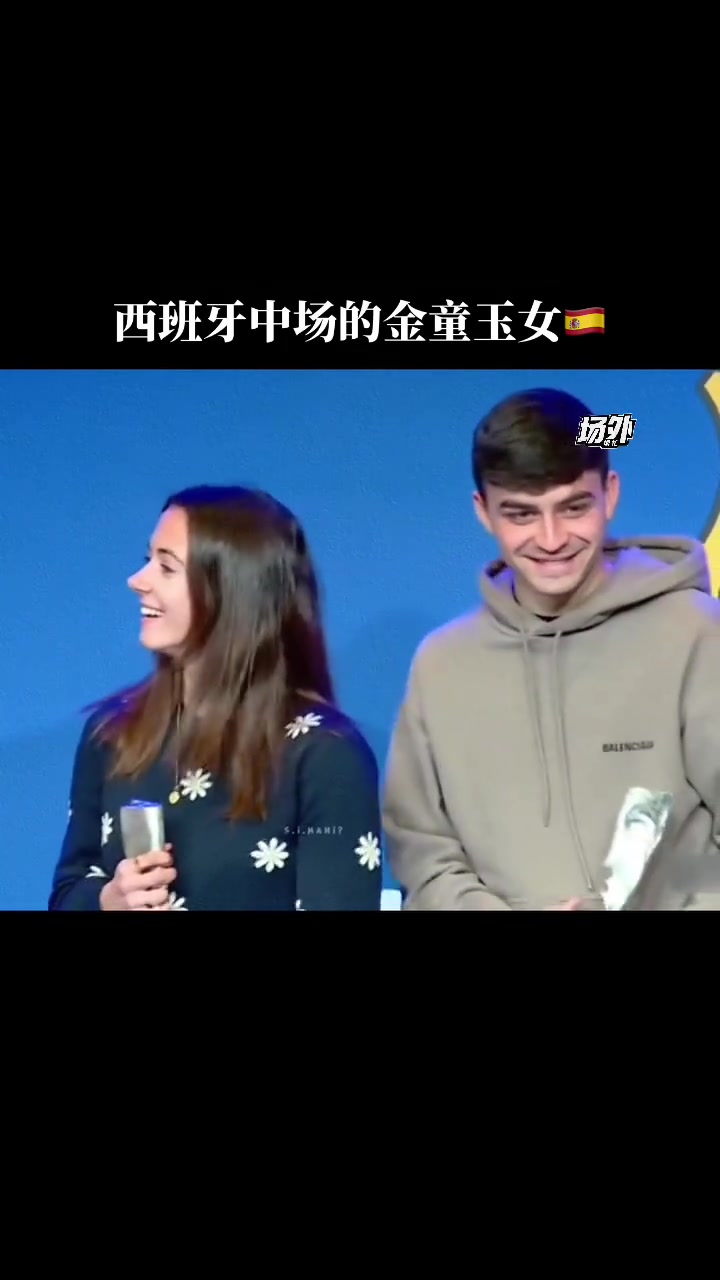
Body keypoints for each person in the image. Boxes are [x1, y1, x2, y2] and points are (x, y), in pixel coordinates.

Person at [383, 387, 720, 910]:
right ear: (483, 512)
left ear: (610, 494)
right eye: (521, 514)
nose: (551, 538)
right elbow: (423, 852)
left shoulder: (695, 632)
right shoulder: (441, 664)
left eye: (573, 507)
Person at [49, 485, 382, 911]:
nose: (137, 581)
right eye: (147, 560)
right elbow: (68, 890)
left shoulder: (324, 755)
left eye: (166, 567)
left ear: (230, 592)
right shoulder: (112, 732)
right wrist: (109, 901)